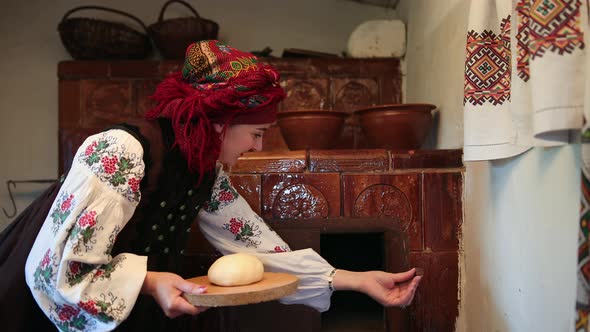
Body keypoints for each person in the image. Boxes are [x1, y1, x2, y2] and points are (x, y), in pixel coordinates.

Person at [1, 40, 421, 331]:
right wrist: (149, 281)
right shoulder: (122, 151)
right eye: (256, 133)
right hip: (34, 314)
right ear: (218, 123)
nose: (258, 146)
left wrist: (357, 279)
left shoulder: (201, 170)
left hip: (128, 315)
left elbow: (256, 250)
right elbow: (56, 270)